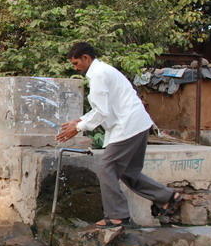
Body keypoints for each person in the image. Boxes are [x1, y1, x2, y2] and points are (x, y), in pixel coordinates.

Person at [56, 42, 182, 227]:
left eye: (76, 63)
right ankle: (167, 197)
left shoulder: (98, 74)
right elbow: (101, 108)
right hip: (136, 124)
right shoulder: (103, 71)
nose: (76, 68)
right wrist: (79, 120)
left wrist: (79, 127)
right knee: (129, 172)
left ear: (86, 58)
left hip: (128, 127)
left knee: (106, 168)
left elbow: (102, 112)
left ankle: (117, 215)